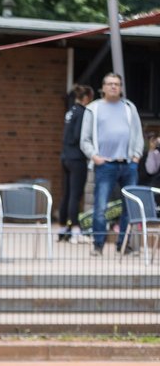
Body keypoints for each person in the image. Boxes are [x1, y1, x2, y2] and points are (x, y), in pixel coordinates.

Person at [80, 72, 144, 256]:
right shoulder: (94, 109)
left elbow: (138, 135)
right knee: (100, 206)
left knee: (129, 207)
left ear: (121, 87)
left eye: (117, 84)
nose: (114, 87)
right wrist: (95, 157)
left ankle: (124, 245)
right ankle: (98, 245)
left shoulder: (129, 108)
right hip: (105, 165)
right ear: (103, 87)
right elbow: (85, 139)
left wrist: (136, 157)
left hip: (128, 164)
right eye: (110, 84)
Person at [58, 84, 94, 242]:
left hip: (65, 156)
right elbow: (79, 135)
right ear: (86, 98)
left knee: (66, 194)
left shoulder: (70, 112)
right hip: (77, 158)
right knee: (75, 195)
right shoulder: (82, 112)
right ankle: (75, 230)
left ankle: (63, 228)